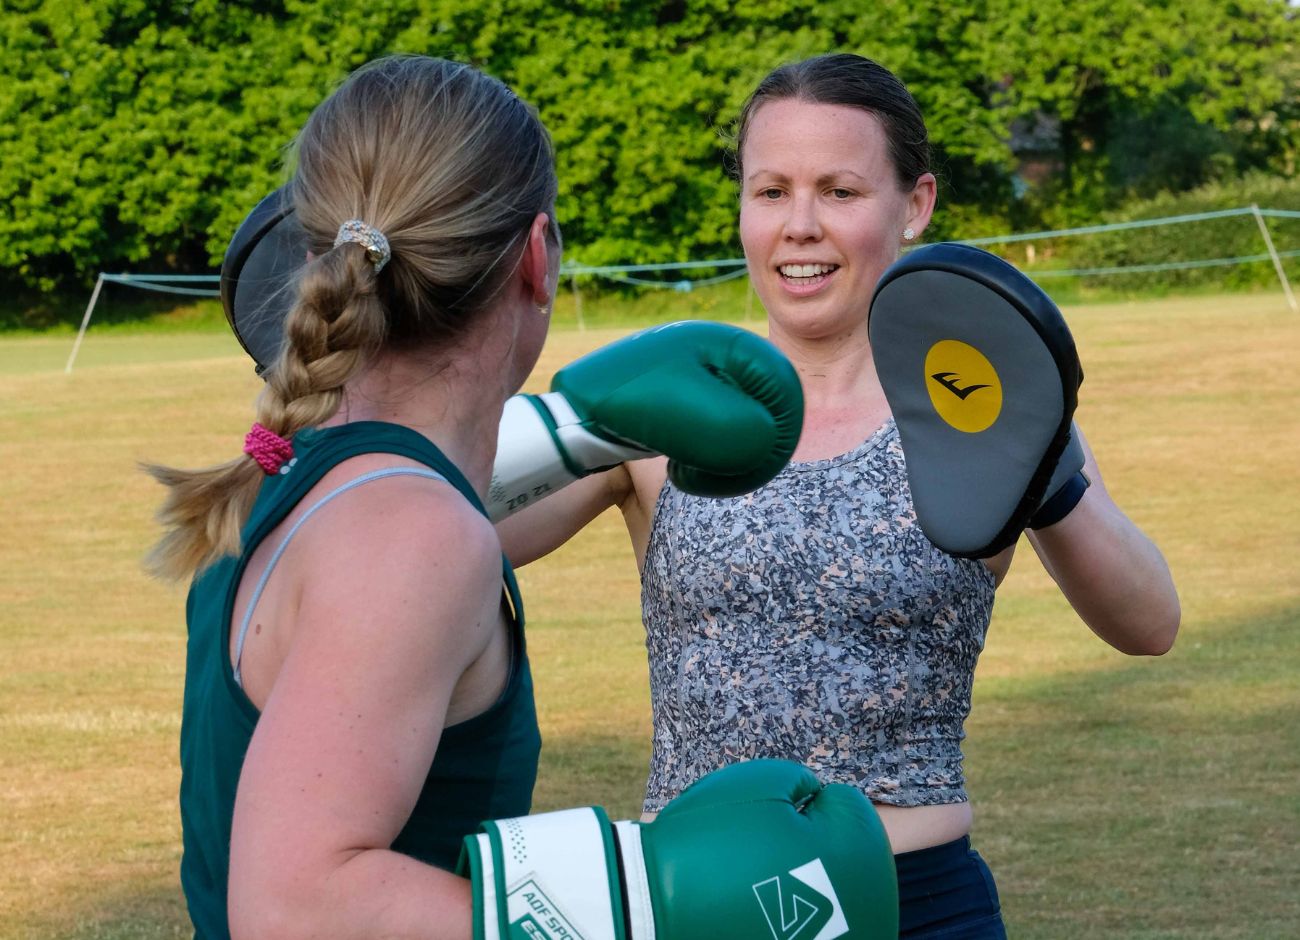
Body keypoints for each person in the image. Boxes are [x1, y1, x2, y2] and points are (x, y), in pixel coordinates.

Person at [147, 54, 898, 940]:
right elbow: (294, 907)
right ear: (538, 258)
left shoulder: (295, 471)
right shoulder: (412, 536)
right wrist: (647, 905)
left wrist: (588, 429)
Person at [496, 52, 1181, 939]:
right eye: (770, 191)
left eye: (842, 192)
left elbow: (1150, 622)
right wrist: (565, 422)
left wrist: (1046, 466)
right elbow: (457, 533)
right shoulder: (680, 394)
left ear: (916, 204)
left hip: (921, 903)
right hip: (696, 901)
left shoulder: (973, 411)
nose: (800, 226)